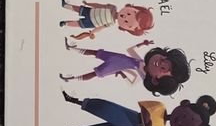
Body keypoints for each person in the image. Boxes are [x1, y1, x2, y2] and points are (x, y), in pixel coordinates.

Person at [62, 91, 216, 126]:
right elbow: (143, 107)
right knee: (103, 108)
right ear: (184, 104)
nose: (180, 122)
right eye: (184, 117)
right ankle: (74, 100)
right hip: (129, 117)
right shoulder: (160, 107)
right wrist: (148, 124)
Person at [59, 38, 190, 96]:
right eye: (163, 60)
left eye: (163, 69)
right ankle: (72, 48)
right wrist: (142, 44)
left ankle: (71, 78)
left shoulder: (143, 75)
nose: (160, 63)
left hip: (115, 66)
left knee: (95, 73)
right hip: (117, 58)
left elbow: (132, 81)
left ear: (156, 80)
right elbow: (130, 50)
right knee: (96, 53)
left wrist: (122, 74)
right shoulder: (141, 62)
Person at [60, 0, 154, 39]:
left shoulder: (111, 23)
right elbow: (99, 5)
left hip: (92, 23)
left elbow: (101, 27)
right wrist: (88, 4)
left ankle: (65, 23)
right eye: (129, 13)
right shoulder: (112, 7)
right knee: (77, 9)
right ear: (130, 7)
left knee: (78, 24)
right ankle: (65, 5)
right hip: (90, 11)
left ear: (124, 28)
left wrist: (93, 32)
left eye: (126, 22)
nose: (124, 17)